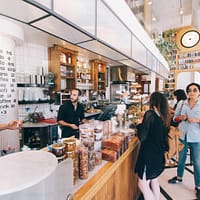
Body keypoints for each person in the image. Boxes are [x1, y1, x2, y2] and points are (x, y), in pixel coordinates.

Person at [135, 92, 170, 200]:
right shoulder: (165, 116)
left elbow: (142, 137)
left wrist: (139, 124)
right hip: (158, 156)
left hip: (149, 156)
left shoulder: (150, 114)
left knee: (142, 184)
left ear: (152, 101)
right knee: (154, 181)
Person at [168, 83, 200, 199]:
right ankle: (179, 177)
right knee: (180, 159)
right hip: (182, 136)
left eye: (194, 90)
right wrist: (180, 118)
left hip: (196, 138)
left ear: (199, 92)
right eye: (189, 90)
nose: (191, 92)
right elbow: (174, 118)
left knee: (197, 162)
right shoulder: (182, 104)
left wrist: (197, 120)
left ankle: (198, 186)